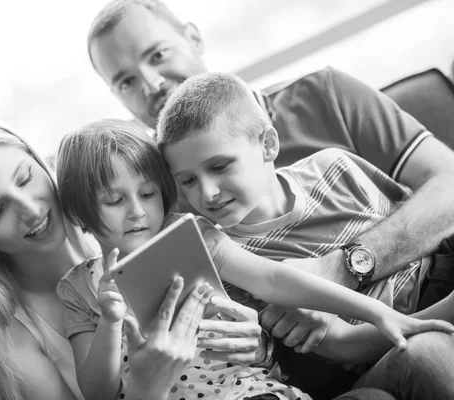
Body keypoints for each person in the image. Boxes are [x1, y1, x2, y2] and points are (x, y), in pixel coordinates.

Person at [86, 0, 454, 396]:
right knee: (426, 357)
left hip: (434, 281)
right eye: (125, 81)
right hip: (359, 364)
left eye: (157, 54)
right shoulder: (169, 213)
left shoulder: (325, 100)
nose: (151, 83)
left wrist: (340, 268)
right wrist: (262, 346)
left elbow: (449, 184)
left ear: (192, 37)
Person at [54, 118, 452, 400]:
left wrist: (377, 313)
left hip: (262, 391)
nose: (137, 211)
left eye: (146, 194)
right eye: (114, 201)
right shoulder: (79, 288)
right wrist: (109, 321)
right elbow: (97, 391)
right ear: (79, 216)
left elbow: (276, 280)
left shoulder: (191, 235)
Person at [0, 116, 266, 400]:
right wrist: (146, 388)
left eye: (25, 178)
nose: (31, 210)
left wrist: (261, 345)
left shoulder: (121, 212)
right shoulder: (15, 343)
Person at [155, 71, 454, 399]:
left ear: (268, 145)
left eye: (220, 166)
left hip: (440, 278)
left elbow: (426, 236)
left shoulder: (335, 167)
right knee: (424, 354)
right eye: (188, 181)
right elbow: (346, 347)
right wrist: (441, 314)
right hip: (384, 354)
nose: (208, 193)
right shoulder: (233, 268)